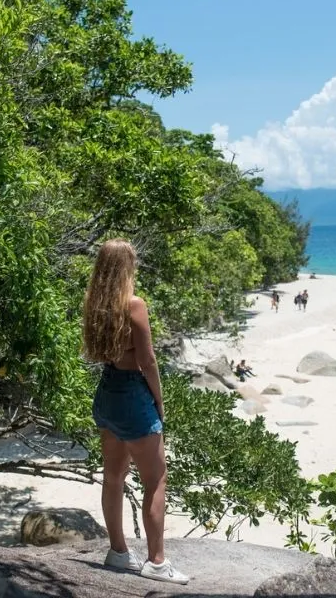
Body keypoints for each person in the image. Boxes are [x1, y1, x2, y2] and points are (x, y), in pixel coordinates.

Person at [82, 239, 189, 585]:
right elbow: (148, 361)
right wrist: (159, 401)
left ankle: (118, 553)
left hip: (107, 392)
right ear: (127, 268)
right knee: (156, 479)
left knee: (113, 476)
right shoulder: (134, 305)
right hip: (132, 394)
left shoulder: (95, 305)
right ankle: (156, 562)